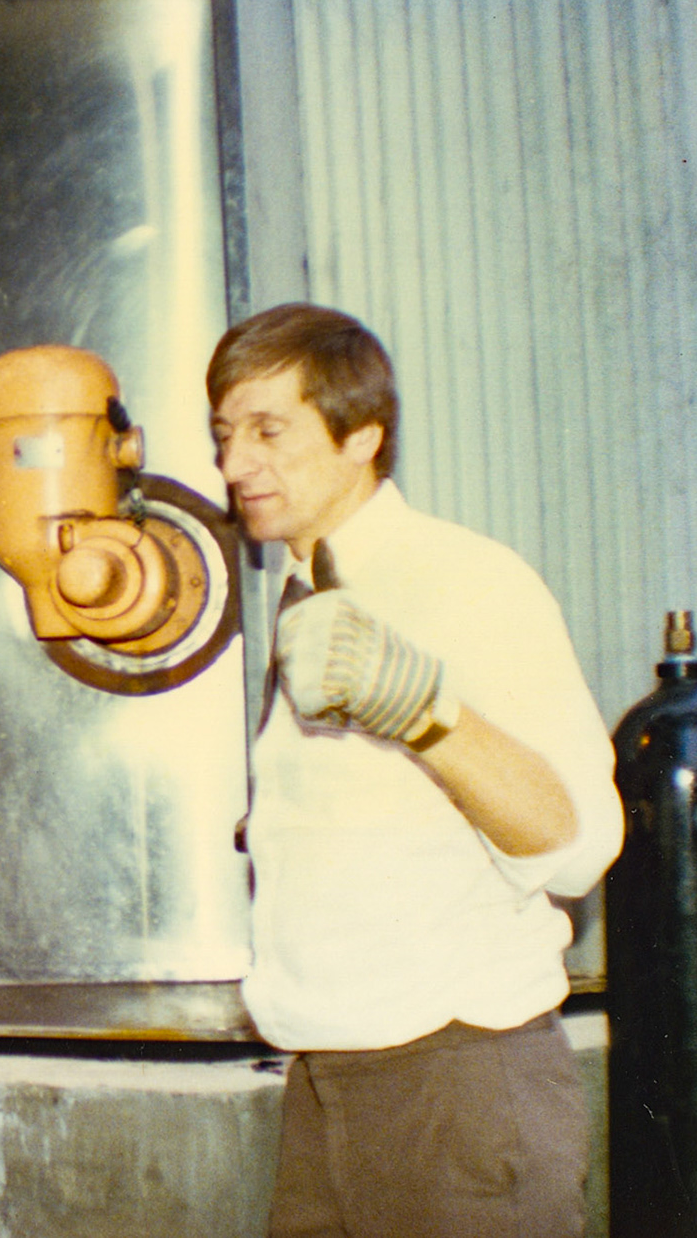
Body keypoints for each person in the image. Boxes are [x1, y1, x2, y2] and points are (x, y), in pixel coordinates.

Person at [205, 304, 623, 1237]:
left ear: (363, 435)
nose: (234, 466)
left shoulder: (465, 578)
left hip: (455, 1081)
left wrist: (426, 714)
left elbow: (581, 846)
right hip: (327, 1079)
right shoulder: (303, 588)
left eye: (269, 431)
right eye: (225, 435)